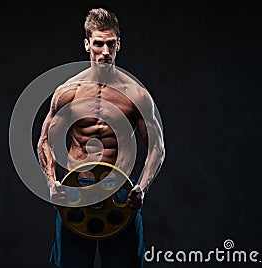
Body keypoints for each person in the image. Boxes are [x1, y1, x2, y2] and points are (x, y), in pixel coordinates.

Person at [37, 8, 165, 268]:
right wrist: (51, 183)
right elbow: (45, 141)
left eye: (110, 44)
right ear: (87, 45)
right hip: (76, 194)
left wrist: (142, 188)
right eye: (98, 44)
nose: (105, 51)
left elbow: (157, 148)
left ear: (119, 44)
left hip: (120, 198)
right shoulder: (68, 92)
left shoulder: (136, 96)